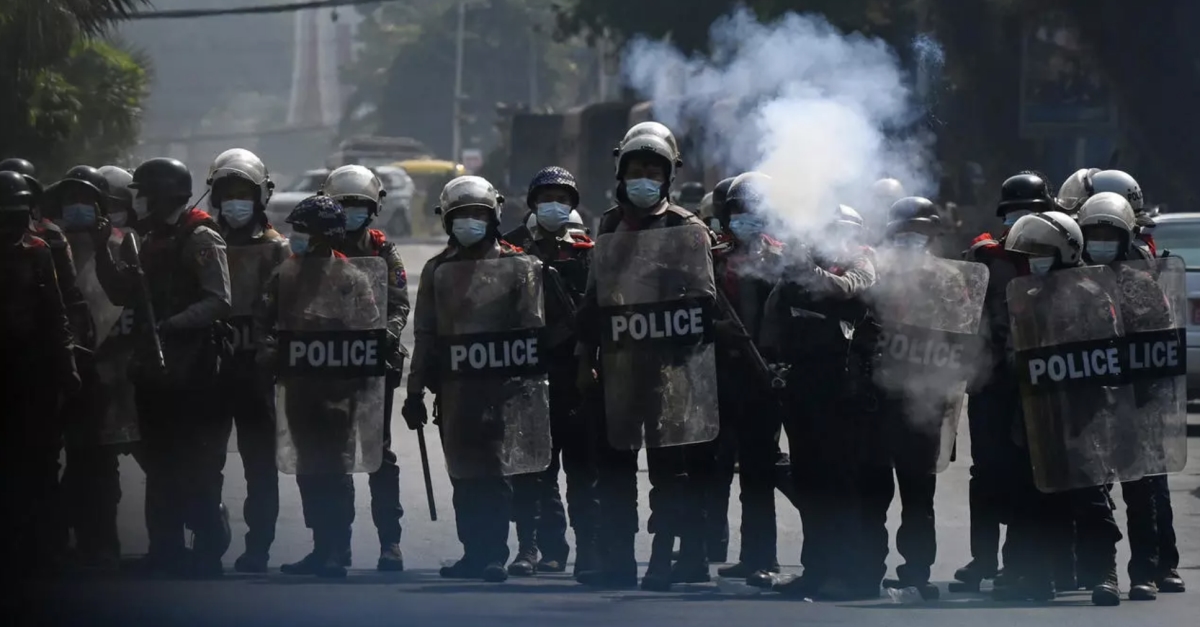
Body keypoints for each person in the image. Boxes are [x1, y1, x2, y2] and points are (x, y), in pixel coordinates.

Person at [575, 125, 722, 592]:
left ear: (667, 177)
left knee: (669, 470)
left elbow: (705, 299)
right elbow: (594, 298)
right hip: (619, 365)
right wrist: (584, 356)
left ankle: (663, 559)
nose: (644, 178)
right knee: (614, 466)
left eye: (652, 171)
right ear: (621, 174)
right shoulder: (609, 225)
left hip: (671, 367)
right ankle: (617, 559)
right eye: (636, 170)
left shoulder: (687, 228)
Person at [93, 157, 233, 578]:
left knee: (193, 463)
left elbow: (218, 299)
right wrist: (102, 249)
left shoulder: (200, 235)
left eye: (145, 192)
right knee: (159, 461)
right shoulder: (146, 237)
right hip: (153, 368)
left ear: (164, 193)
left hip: (193, 367)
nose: (138, 200)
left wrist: (171, 325)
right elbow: (121, 292)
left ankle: (209, 544)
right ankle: (165, 548)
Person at [403, 175, 528, 583]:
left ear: (492, 217)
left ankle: (495, 553)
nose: (469, 222)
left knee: (496, 472)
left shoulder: (517, 265)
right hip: (456, 391)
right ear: (447, 221)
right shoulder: (438, 270)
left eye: (478, 214)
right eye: (462, 216)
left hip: (503, 388)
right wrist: (415, 390)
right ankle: (473, 552)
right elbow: (425, 334)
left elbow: (532, 329)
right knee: (463, 473)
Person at [1000, 210, 1122, 605]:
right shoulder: (1026, 298)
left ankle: (1104, 572)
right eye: (1028, 253)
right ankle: (1040, 576)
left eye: (1041, 252)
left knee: (1089, 495)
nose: (1033, 260)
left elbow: (1109, 352)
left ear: (1064, 252)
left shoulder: (1091, 294)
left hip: (1082, 413)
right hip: (1038, 414)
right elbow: (1011, 354)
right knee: (1037, 497)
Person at [256, 195, 381, 579]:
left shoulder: (351, 277)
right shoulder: (285, 273)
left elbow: (370, 329)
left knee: (335, 467)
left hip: (338, 390)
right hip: (298, 386)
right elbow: (264, 320)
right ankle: (319, 545)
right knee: (308, 467)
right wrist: (268, 351)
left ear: (324, 236)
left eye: (303, 231)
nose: (296, 238)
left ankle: (336, 548)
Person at [760, 204, 880, 601]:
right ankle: (817, 569)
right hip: (804, 386)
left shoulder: (862, 261)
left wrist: (804, 269)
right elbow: (774, 317)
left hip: (845, 390)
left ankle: (847, 574)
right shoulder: (799, 268)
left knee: (840, 484)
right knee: (811, 481)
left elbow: (844, 289)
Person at [954, 171, 1058, 591]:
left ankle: (1022, 564)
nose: (1022, 223)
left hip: (1038, 380)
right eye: (1016, 214)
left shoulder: (1057, 254)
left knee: (1029, 474)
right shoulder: (983, 256)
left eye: (1030, 214)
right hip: (990, 379)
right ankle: (983, 561)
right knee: (987, 473)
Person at [502, 166, 599, 577]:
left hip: (572, 370)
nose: (554, 205)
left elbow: (597, 306)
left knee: (580, 468)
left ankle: (588, 550)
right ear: (532, 202)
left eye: (562, 198)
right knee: (532, 468)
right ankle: (533, 546)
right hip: (525, 368)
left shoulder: (584, 249)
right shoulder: (511, 247)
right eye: (546, 198)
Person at [711, 172, 797, 588]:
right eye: (740, 211)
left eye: (756, 211)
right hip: (721, 372)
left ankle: (765, 557)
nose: (748, 219)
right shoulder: (713, 257)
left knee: (759, 470)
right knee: (717, 465)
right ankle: (743, 555)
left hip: (766, 375)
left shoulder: (782, 258)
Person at [323, 164, 409, 571]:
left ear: (373, 208)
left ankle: (390, 543)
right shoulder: (313, 250)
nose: (352, 212)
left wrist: (388, 335)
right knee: (331, 454)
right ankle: (333, 547)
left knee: (379, 454)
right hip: (325, 365)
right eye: (344, 205)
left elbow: (399, 302)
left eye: (359, 205)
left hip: (373, 364)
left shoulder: (382, 250)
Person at [206, 148, 286, 573]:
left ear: (260, 197)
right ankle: (209, 536)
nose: (236, 201)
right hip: (210, 368)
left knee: (259, 466)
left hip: (257, 371)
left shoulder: (277, 250)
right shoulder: (204, 241)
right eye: (228, 192)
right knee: (205, 461)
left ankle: (259, 546)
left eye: (244, 193)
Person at [0, 170, 79, 574]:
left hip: (35, 369)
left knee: (43, 461)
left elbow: (56, 310)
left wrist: (65, 361)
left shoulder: (38, 249)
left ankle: (45, 545)